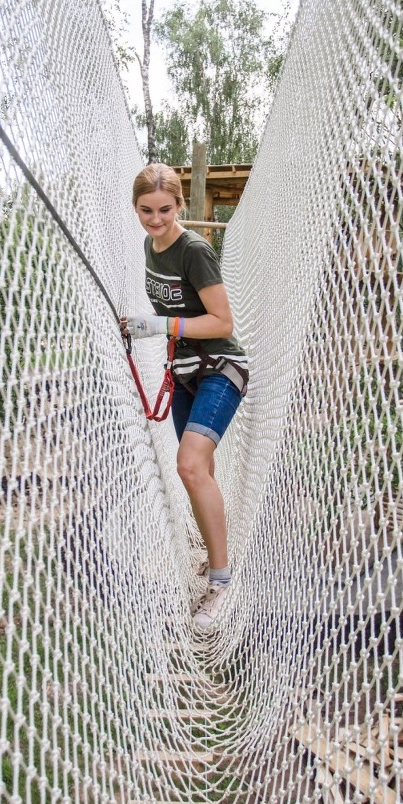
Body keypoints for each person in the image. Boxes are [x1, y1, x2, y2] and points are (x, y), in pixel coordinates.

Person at [120, 163, 249, 629]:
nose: (155, 220)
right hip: (185, 371)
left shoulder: (193, 250)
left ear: (179, 206)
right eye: (146, 210)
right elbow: (173, 314)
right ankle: (216, 559)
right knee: (200, 473)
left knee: (189, 466)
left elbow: (222, 322)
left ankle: (220, 583)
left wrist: (159, 325)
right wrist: (142, 326)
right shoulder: (150, 247)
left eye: (165, 210)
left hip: (221, 368)